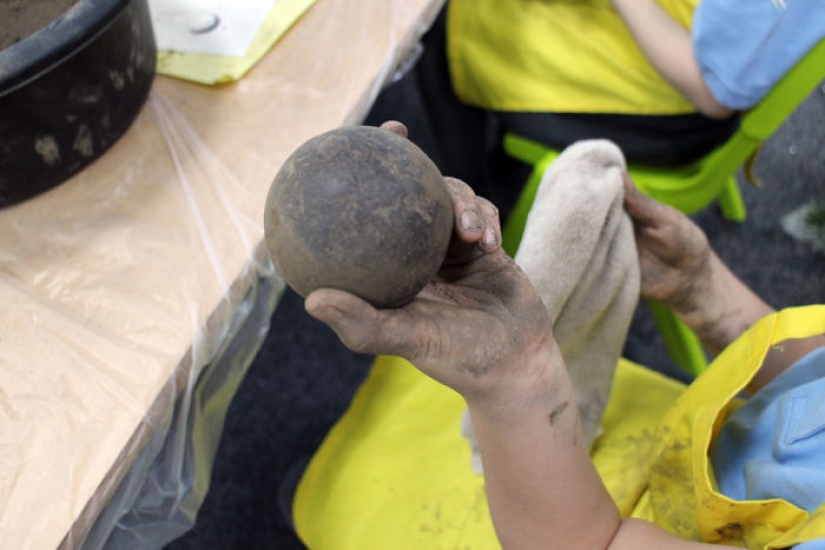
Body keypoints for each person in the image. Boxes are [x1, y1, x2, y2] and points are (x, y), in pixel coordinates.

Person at [301, 122, 825, 548]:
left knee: (323, 490)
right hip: (713, 442)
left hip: (620, 524)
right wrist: (705, 292)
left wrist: (515, 374)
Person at [414, 0, 825, 215]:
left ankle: (470, 220)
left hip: (677, 101)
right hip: (683, 34)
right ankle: (503, 169)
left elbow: (713, 92)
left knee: (444, 28)